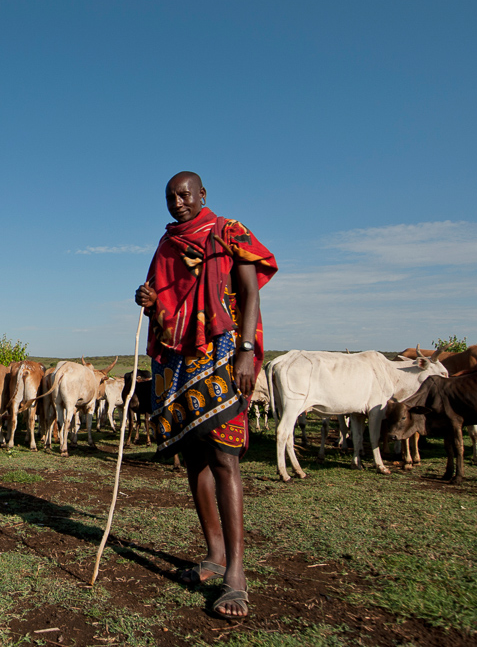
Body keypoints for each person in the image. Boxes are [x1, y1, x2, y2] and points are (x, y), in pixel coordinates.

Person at [134, 171, 277, 619]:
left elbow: (250, 291)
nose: (177, 202)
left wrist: (247, 352)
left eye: (185, 195)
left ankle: (236, 572)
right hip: (177, 359)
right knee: (194, 457)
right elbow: (162, 296)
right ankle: (213, 554)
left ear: (202, 195)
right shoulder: (166, 245)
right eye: (170, 197)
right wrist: (146, 298)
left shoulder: (228, 232)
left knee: (224, 457)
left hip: (223, 349)